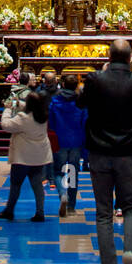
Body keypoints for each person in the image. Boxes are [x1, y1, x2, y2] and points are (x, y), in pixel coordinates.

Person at [80, 38, 132, 264]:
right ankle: (130, 252)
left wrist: (100, 76)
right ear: (131, 58)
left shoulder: (95, 80)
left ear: (108, 57)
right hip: (128, 153)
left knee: (103, 213)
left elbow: (81, 102)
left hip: (99, 152)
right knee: (131, 207)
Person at [0, 90, 53, 222]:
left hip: (23, 158)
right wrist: (16, 103)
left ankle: (9, 211)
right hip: (39, 156)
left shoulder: (23, 119)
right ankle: (40, 212)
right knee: (37, 184)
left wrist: (7, 110)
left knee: (16, 184)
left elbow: (6, 125)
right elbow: (30, 106)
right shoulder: (43, 116)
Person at [49, 73, 88, 217]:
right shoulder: (80, 102)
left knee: (58, 171)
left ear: (63, 85)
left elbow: (51, 122)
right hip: (76, 140)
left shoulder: (55, 101)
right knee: (73, 172)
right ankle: (71, 206)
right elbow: (85, 122)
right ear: (77, 85)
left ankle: (62, 194)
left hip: (60, 140)